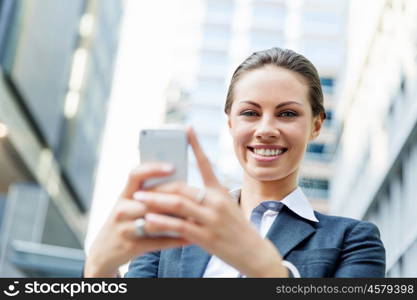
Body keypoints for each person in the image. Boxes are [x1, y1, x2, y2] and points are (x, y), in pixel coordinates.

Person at [84, 47, 385, 278]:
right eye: (250, 113)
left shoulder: (353, 241)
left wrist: (268, 271)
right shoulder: (172, 234)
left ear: (317, 125)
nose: (266, 129)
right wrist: (98, 268)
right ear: (229, 122)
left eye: (288, 114)